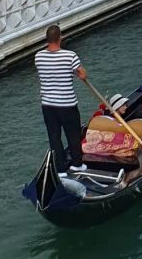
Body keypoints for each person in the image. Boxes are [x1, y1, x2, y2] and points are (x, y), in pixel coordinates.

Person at [35, 24, 88, 178]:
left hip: (47, 104)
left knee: (54, 136)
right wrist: (77, 72)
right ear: (60, 38)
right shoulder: (70, 56)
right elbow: (83, 75)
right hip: (67, 104)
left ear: (47, 39)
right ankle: (77, 165)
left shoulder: (38, 56)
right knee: (73, 135)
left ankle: (61, 169)